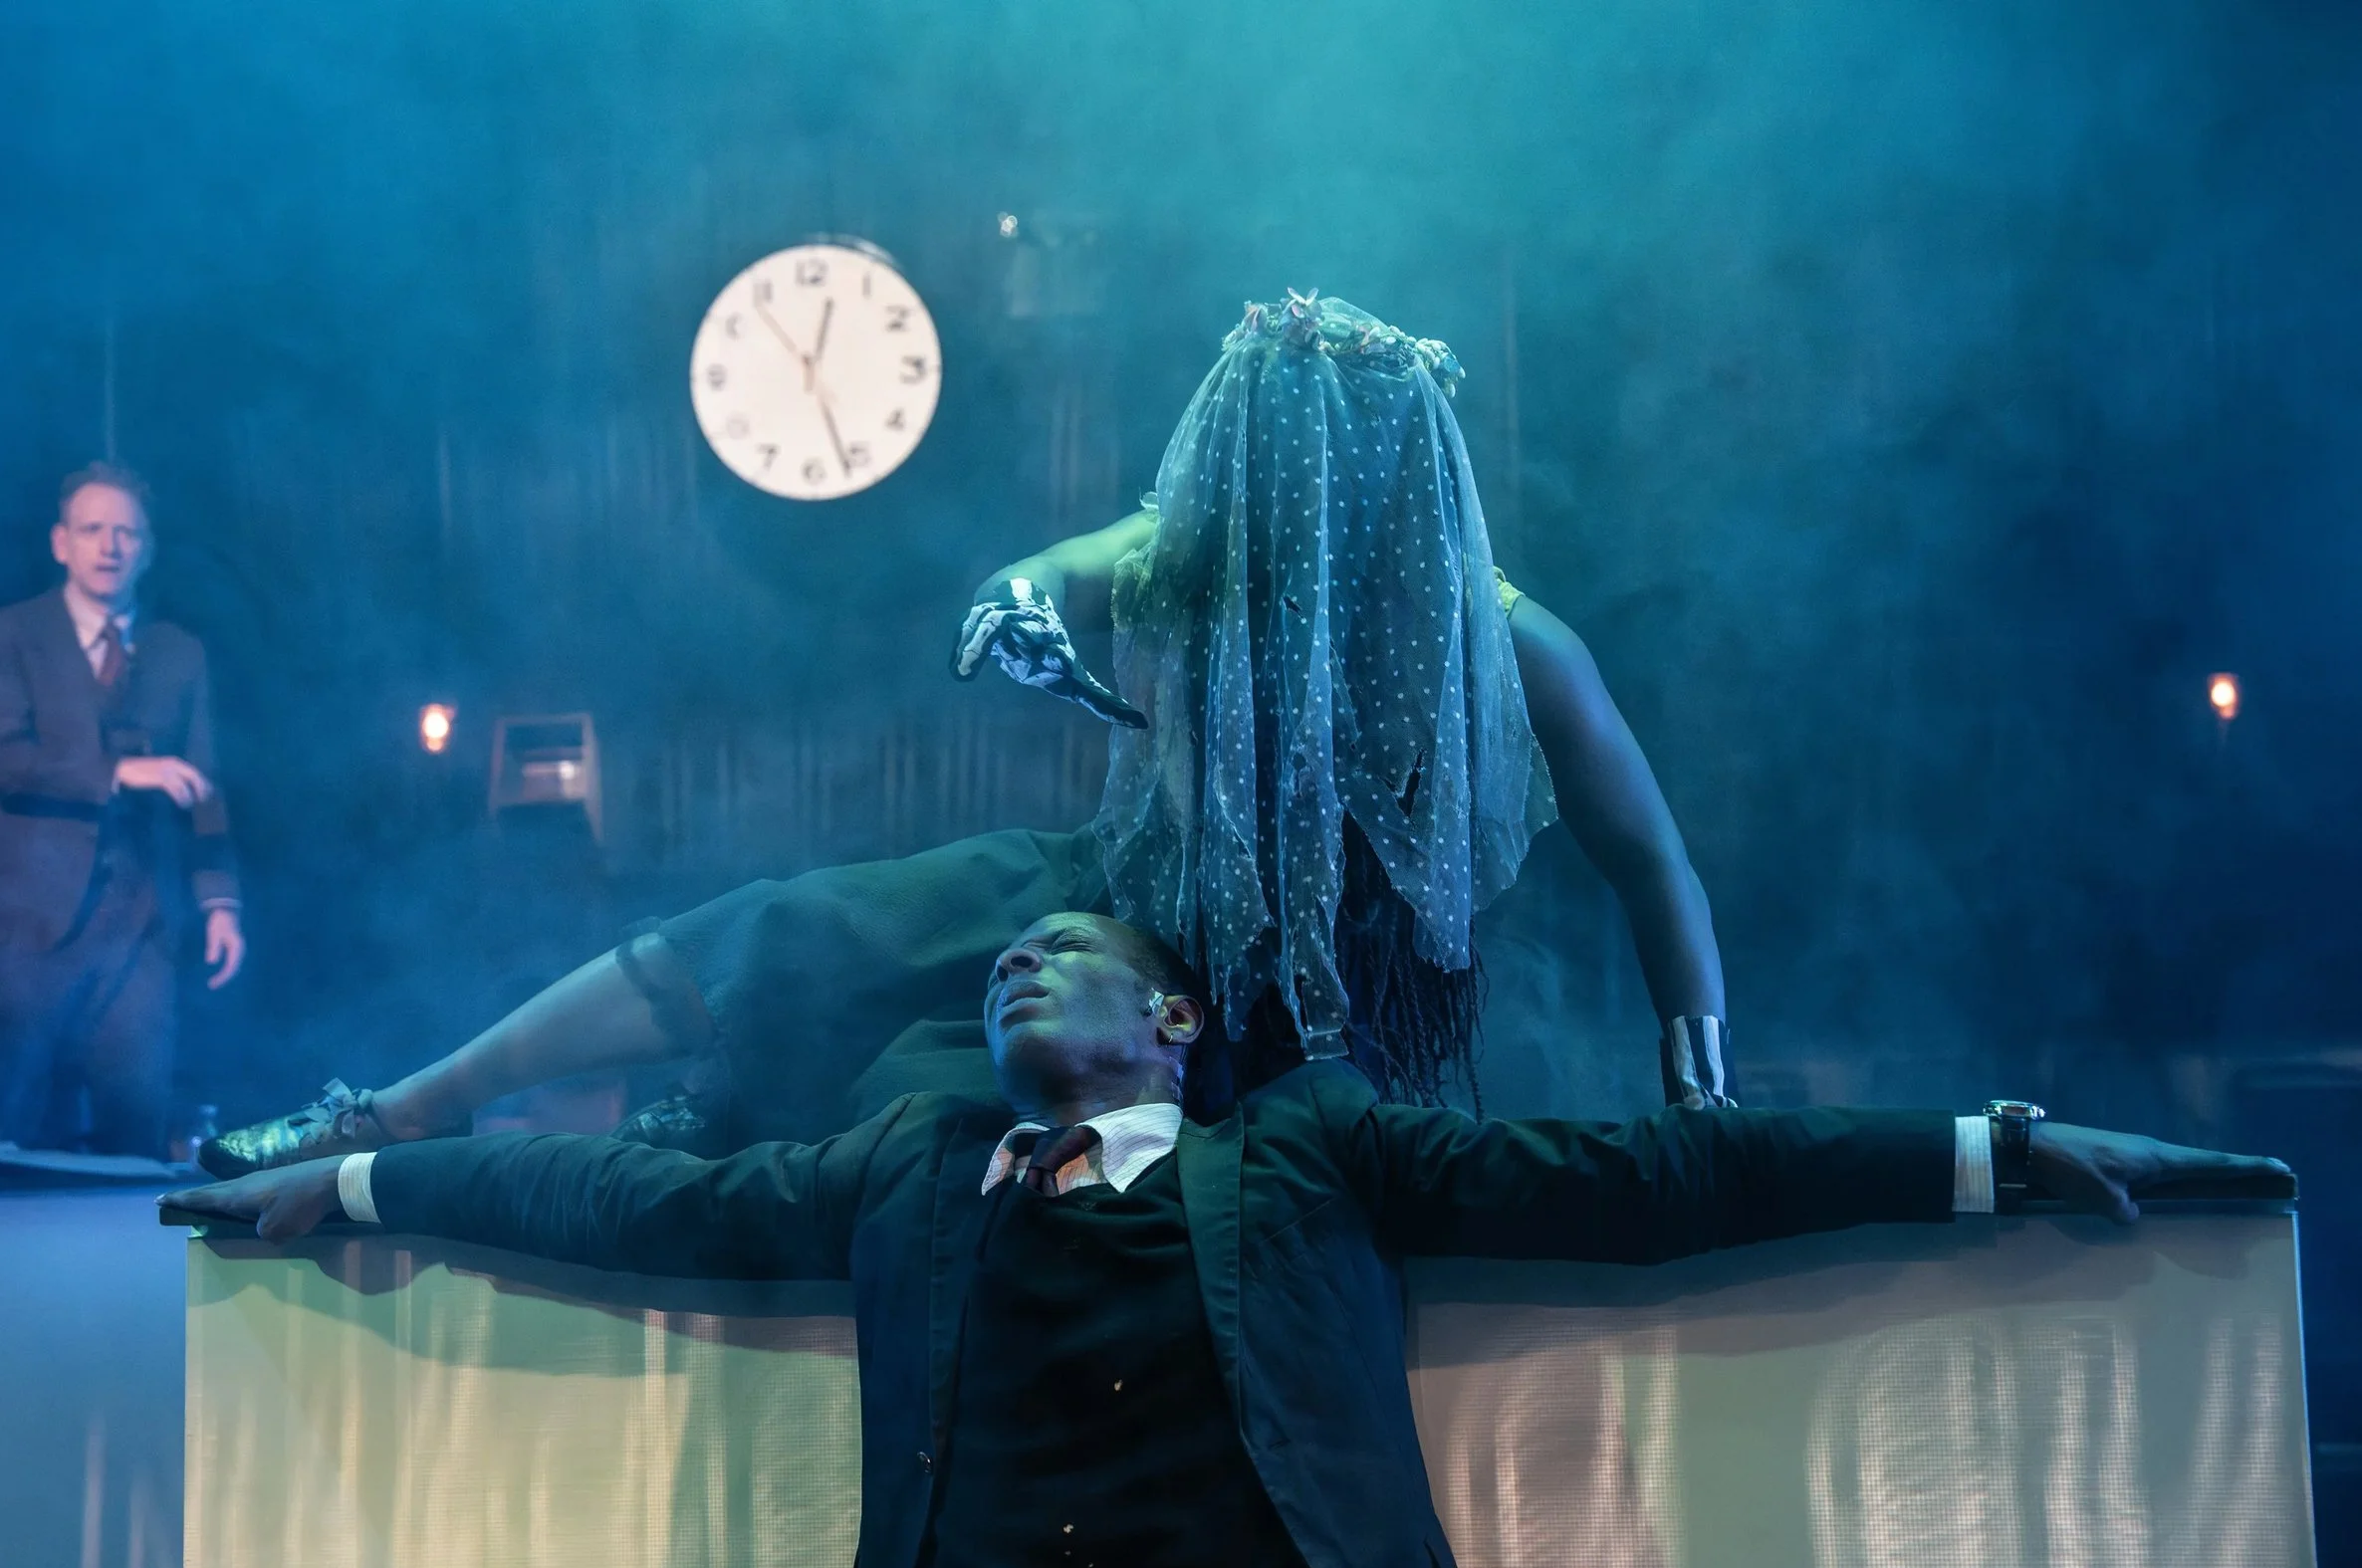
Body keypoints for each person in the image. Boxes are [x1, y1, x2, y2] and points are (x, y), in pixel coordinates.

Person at [163, 909, 2289, 1568]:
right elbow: (617, 1205)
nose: (1016, 966)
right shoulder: (904, 1170)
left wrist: (1998, 1144)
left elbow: (1655, 1175)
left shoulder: (1310, 1148)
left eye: (1063, 953)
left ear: (1174, 1020)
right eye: (1003, 965)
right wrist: (348, 1177)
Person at [200, 293, 1728, 1179]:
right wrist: (1020, 608)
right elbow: (1048, 569)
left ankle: (716, 1123)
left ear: (1388, 481)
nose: (1278, 499)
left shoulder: (1506, 639)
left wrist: (1703, 1085)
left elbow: (1653, 860)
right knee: (798, 924)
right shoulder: (1206, 545)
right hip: (1129, 898)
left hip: (1338, 1003)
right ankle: (405, 1107)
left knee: (918, 1109)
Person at [0, 462, 245, 1157]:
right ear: (61, 543)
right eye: (92, 530)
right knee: (3, 1122)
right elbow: (0, 760)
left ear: (147, 549)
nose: (110, 546)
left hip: (138, 923)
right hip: (27, 921)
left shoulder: (180, 652)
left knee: (135, 1120)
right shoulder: (9, 635)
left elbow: (204, 784)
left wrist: (220, 904)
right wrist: (118, 772)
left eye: (127, 533)